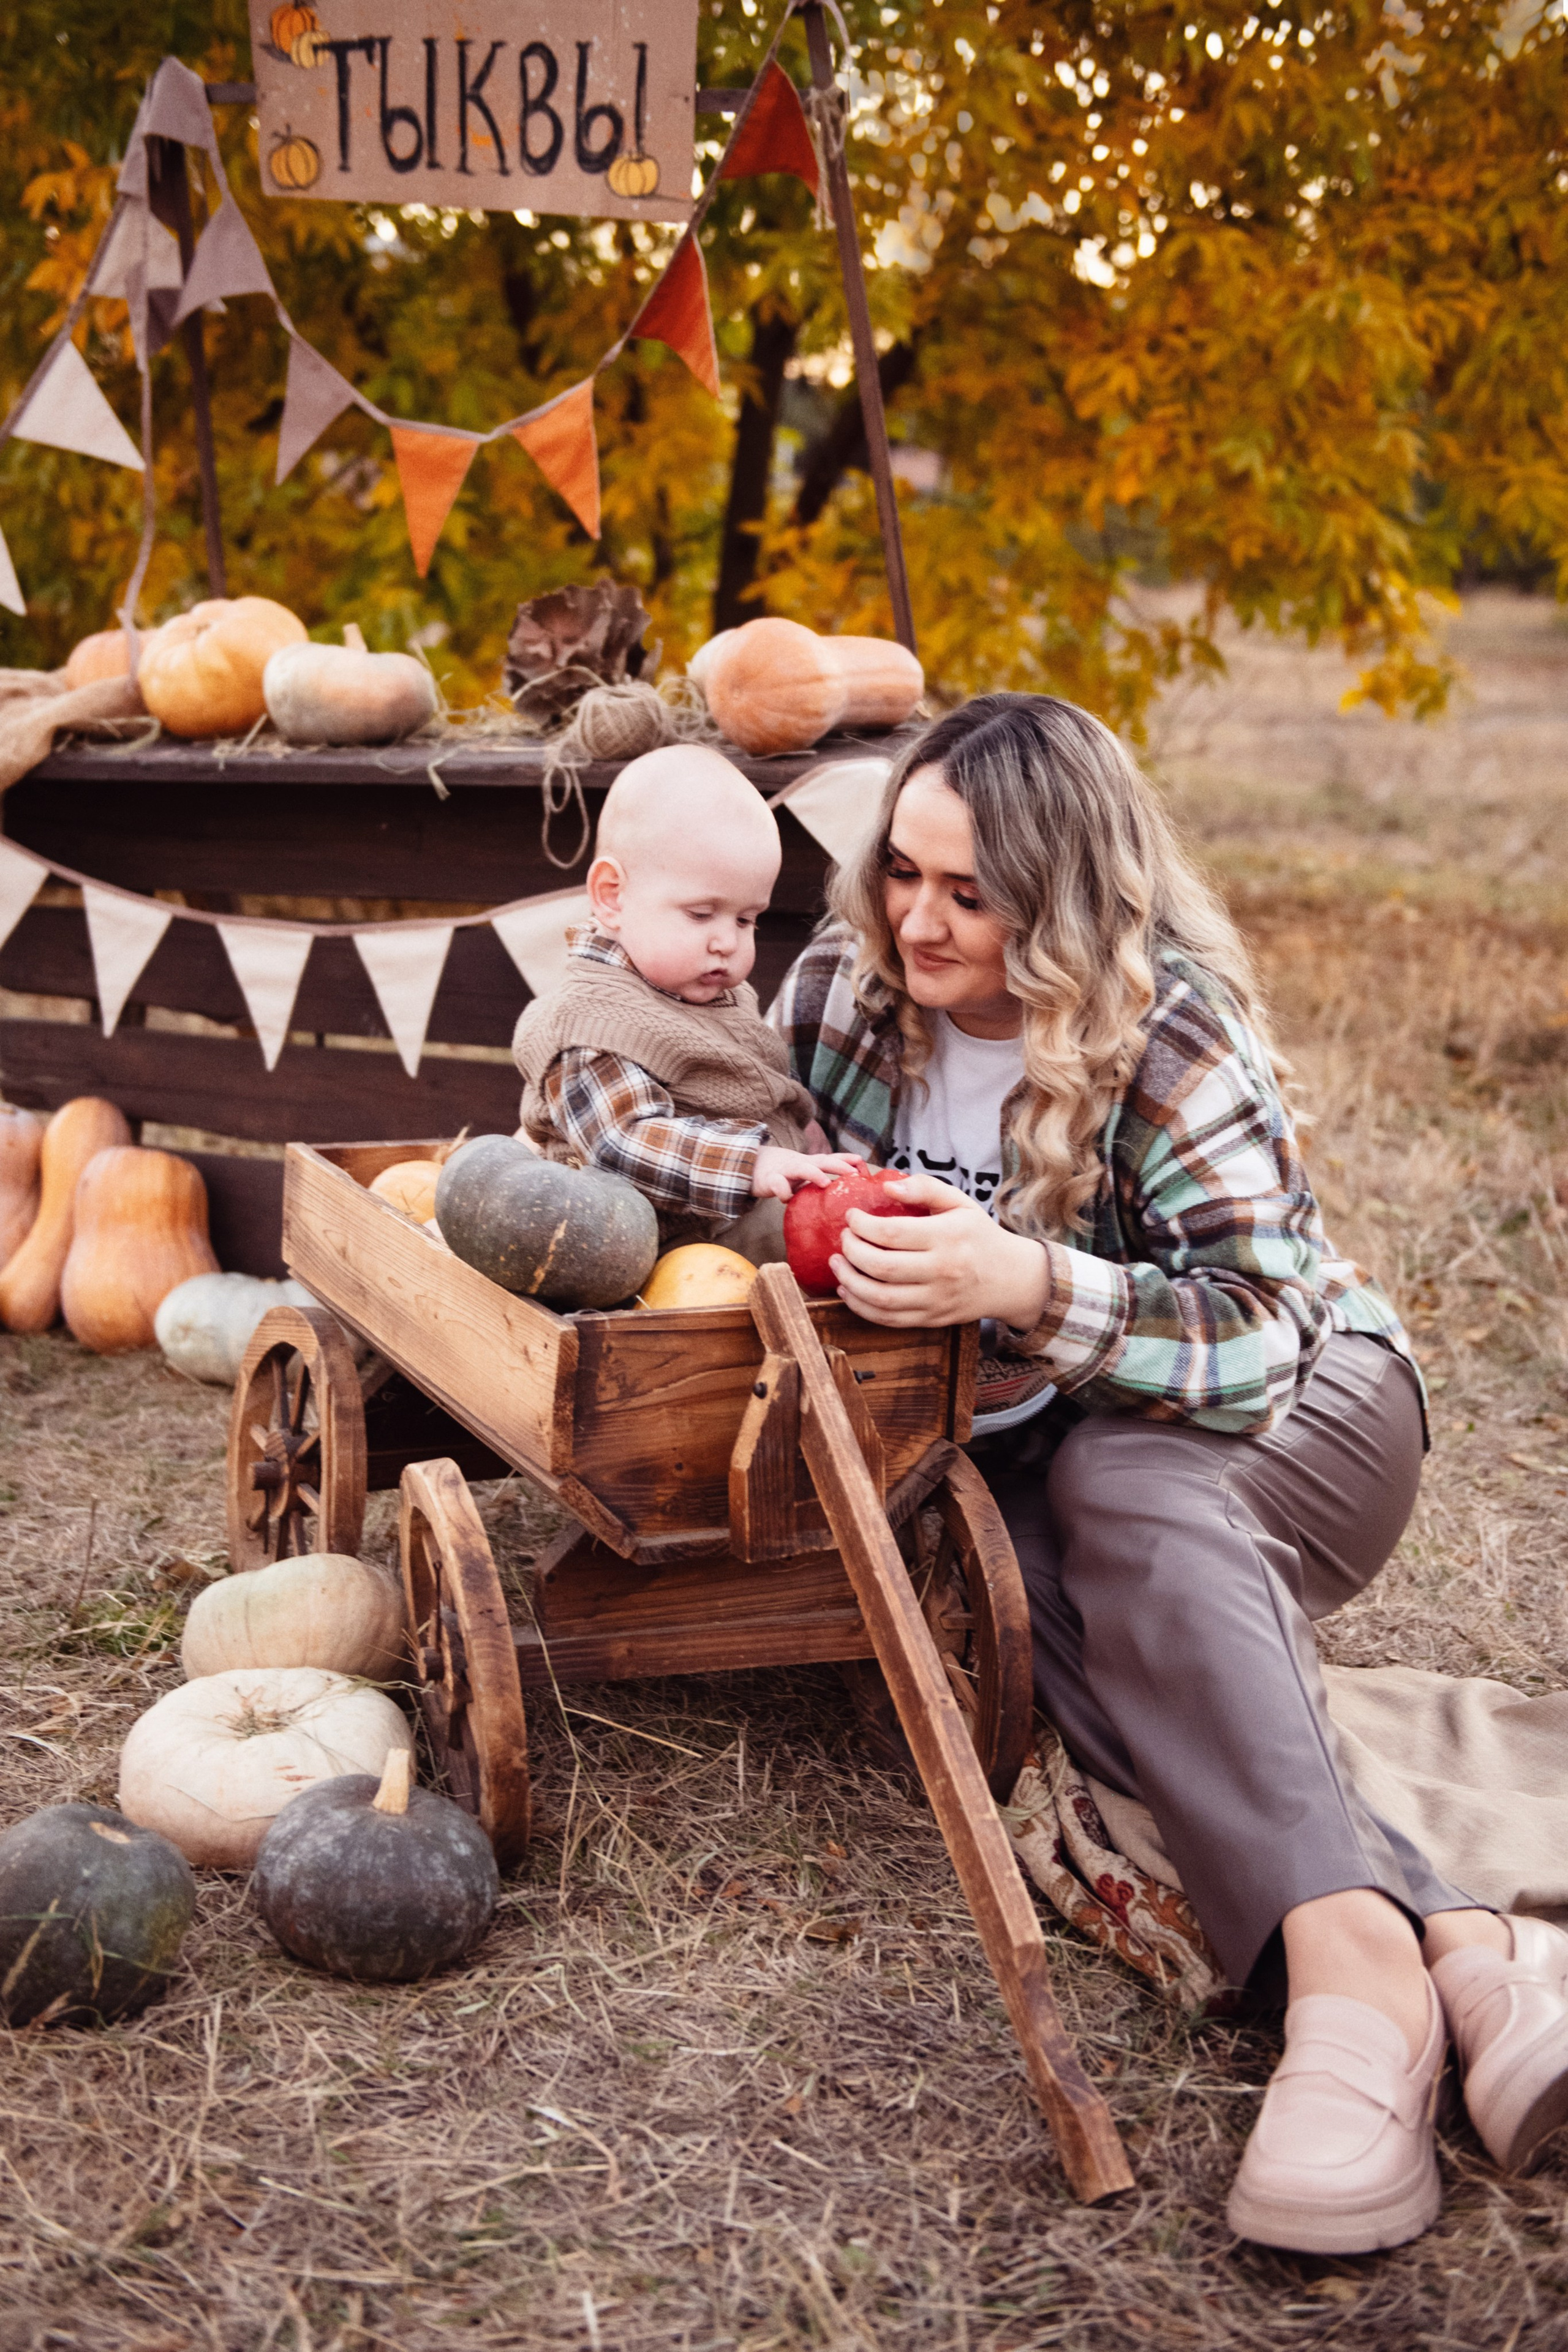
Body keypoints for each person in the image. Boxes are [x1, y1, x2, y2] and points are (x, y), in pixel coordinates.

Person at [771, 690, 1568, 2255]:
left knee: (1121, 1496)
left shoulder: (1163, 1028)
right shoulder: (842, 993)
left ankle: (1353, 1996)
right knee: (1017, 1581)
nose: (915, 921)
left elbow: (1262, 1331)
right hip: (1041, 1432)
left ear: (1062, 900)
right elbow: (730, 1141)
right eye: (900, 872)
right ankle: (1460, 1949)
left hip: (1304, 1407)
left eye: (969, 894)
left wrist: (1020, 1280)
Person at [513, 743, 857, 1255]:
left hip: (737, 1210)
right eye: (701, 914)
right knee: (841, 1246)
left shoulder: (702, 990)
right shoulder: (590, 1025)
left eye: (747, 919)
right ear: (612, 896)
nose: (728, 942)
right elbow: (624, 1141)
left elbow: (752, 1083)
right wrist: (754, 1163)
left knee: (861, 1217)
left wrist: (799, 1132)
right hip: (662, 1241)